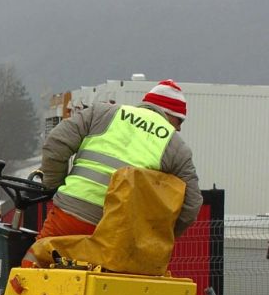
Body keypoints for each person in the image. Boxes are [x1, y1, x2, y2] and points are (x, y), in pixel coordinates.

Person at [24, 79, 201, 266]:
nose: (179, 127)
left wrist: (53, 187)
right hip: (120, 235)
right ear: (168, 113)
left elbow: (56, 143)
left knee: (33, 270)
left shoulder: (101, 113)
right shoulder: (176, 146)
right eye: (179, 120)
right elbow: (192, 205)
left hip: (71, 215)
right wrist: (156, 237)